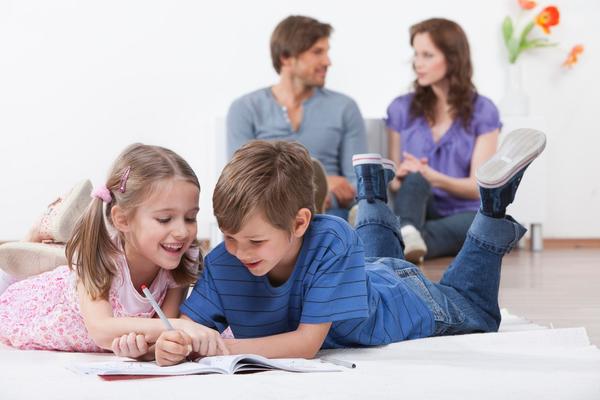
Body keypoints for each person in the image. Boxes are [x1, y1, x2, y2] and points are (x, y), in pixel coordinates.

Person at [153, 128, 546, 364]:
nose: (240, 251)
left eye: (255, 241)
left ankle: (492, 207)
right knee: (374, 258)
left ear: (299, 223)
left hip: (404, 297)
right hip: (364, 275)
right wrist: (175, 342)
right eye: (229, 237)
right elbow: (190, 325)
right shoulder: (224, 261)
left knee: (477, 312)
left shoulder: (331, 239)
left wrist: (220, 348)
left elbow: (306, 344)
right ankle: (371, 192)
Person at [0, 143, 227, 358]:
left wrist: (147, 352)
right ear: (123, 219)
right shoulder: (101, 257)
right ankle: (37, 235)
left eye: (190, 218)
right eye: (165, 219)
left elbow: (163, 332)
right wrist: (181, 326)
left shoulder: (183, 258)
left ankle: (57, 247)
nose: (182, 232)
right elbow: (101, 329)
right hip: (43, 307)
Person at [226, 15, 367, 220]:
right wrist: (319, 184)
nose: (327, 61)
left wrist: (331, 195)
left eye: (327, 52)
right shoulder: (245, 108)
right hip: (269, 211)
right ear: (286, 57)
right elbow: (240, 181)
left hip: (330, 213)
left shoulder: (345, 107)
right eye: (317, 52)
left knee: (337, 222)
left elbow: (358, 183)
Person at [386, 18, 501, 263]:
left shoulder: (483, 111)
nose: (418, 63)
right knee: (415, 179)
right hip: (416, 207)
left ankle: (402, 239)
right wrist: (403, 176)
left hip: (462, 213)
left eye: (427, 55)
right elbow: (393, 182)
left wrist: (433, 176)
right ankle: (407, 233)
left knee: (483, 227)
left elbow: (478, 188)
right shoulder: (401, 109)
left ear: (453, 59)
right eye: (416, 54)